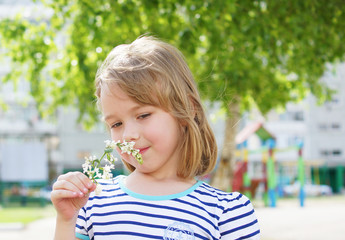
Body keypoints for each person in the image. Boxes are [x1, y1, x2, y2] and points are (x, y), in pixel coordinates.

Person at [51, 36, 261, 240]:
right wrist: (66, 221)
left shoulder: (225, 213)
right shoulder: (94, 202)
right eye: (116, 124)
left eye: (143, 115)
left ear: (188, 110)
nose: (128, 135)